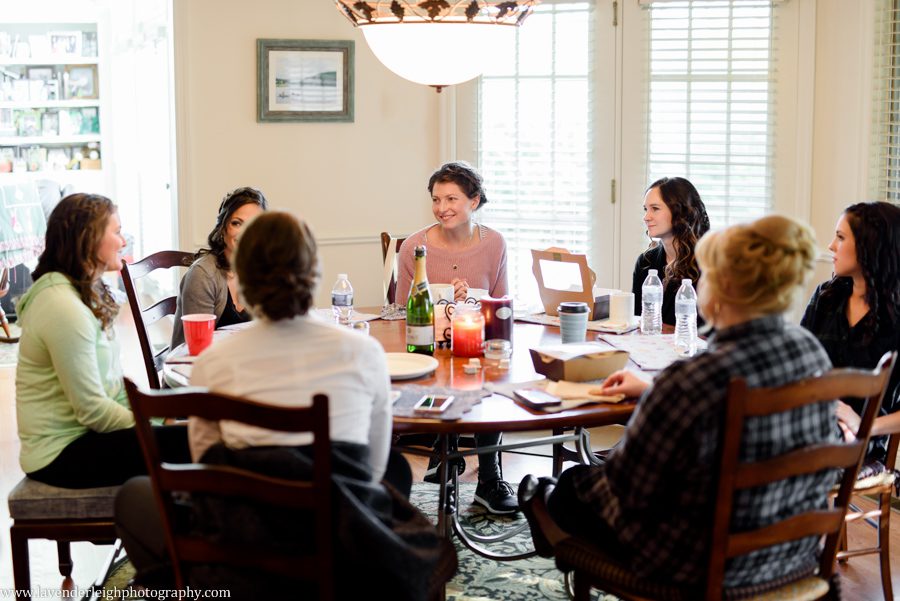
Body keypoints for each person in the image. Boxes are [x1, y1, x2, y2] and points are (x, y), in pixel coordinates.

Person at [520, 215, 835, 591]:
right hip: (790, 555)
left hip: (696, 567)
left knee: (569, 488)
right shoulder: (811, 354)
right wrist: (655, 392)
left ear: (721, 288)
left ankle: (544, 506)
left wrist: (565, 491)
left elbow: (627, 490)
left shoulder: (694, 380)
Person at [117, 212, 414, 588]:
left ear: (242, 278)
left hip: (245, 550)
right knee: (394, 467)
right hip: (335, 545)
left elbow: (206, 466)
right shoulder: (363, 352)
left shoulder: (212, 363)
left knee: (136, 498)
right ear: (315, 273)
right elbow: (370, 470)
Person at [16, 193, 190, 489]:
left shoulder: (79, 294)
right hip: (60, 453)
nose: (123, 241)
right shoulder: (62, 307)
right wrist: (154, 423)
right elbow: (93, 410)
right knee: (194, 444)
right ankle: (176, 530)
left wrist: (162, 418)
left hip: (83, 436)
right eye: (117, 231)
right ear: (89, 238)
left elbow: (111, 388)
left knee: (192, 434)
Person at [395, 161, 516, 515]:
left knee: (488, 375)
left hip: (475, 348)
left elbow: (501, 307)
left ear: (474, 201)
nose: (442, 208)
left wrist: (469, 302)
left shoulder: (494, 243)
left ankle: (489, 480)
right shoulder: (414, 247)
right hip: (427, 350)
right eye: (436, 199)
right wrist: (443, 297)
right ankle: (440, 457)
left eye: (451, 198)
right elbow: (402, 312)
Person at [801, 201, 900, 468]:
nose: (831, 246)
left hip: (860, 442)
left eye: (841, 237)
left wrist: (862, 424)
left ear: (870, 248)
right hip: (809, 421)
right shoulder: (826, 297)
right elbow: (799, 366)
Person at [170, 186, 268, 349]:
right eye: (237, 223)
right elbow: (197, 348)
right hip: (194, 367)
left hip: (241, 363)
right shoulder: (203, 275)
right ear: (223, 229)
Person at [631, 177, 710, 325]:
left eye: (655, 208)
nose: (646, 217)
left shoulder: (709, 262)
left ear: (680, 211)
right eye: (645, 209)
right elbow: (638, 320)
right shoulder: (645, 262)